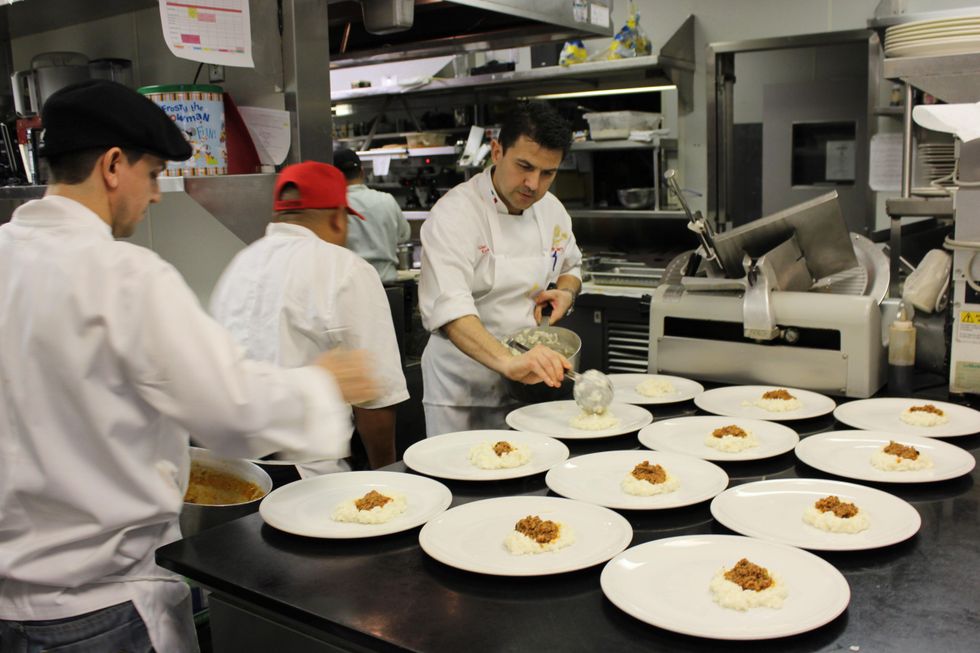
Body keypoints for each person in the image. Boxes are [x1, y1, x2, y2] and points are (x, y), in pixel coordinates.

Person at [0, 80, 378, 652]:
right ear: (112, 165)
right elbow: (229, 410)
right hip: (102, 608)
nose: (155, 196)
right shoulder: (125, 276)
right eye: (152, 175)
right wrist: (323, 385)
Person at [210, 161, 409, 475]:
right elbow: (377, 397)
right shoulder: (346, 268)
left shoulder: (238, 265)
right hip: (308, 476)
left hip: (232, 473)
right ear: (337, 219)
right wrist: (387, 475)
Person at [418, 101, 583, 436]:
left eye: (547, 173)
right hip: (462, 391)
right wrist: (508, 362)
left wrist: (565, 292)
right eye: (524, 166)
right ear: (496, 152)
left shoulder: (551, 209)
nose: (533, 184)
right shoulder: (455, 214)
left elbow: (571, 265)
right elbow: (451, 309)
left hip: (529, 386)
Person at [334, 148, 412, 283]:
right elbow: (404, 235)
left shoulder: (334, 205)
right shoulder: (386, 200)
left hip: (351, 286)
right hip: (388, 286)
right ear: (362, 172)